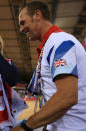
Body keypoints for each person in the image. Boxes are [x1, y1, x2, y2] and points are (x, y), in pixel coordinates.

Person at [10, 1, 86, 131]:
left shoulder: (59, 41)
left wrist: (25, 127)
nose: (21, 29)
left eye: (23, 22)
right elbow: (52, 95)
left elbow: (67, 96)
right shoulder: (51, 44)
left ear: (37, 15)